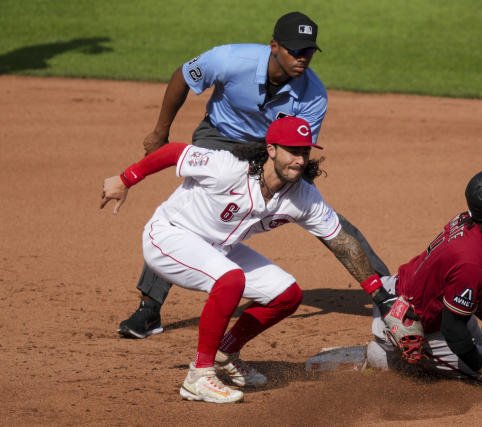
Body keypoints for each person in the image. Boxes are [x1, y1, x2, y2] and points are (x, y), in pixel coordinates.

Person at [118, 10, 389, 340]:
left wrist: (303, 192)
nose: (304, 58)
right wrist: (161, 132)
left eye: (309, 51)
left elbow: (300, 146)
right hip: (218, 136)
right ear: (274, 46)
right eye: (296, 50)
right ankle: (149, 308)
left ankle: (385, 292)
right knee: (193, 215)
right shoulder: (232, 59)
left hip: (272, 148)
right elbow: (183, 76)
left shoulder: (314, 94)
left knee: (318, 212)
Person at [101, 116, 379, 403]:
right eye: (293, 151)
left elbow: (342, 242)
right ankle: (199, 376)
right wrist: (125, 179)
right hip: (170, 235)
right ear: (271, 149)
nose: (300, 160)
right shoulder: (228, 167)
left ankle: (225, 352)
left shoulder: (303, 196)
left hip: (220, 246)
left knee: (287, 294)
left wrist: (379, 294)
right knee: (230, 280)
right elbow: (174, 153)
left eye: (305, 152)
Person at [359, 166, 482, 393]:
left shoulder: (471, 221)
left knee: (472, 331)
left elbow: (457, 288)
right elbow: (452, 329)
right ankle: (383, 356)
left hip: (402, 291)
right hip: (407, 326)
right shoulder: (474, 260)